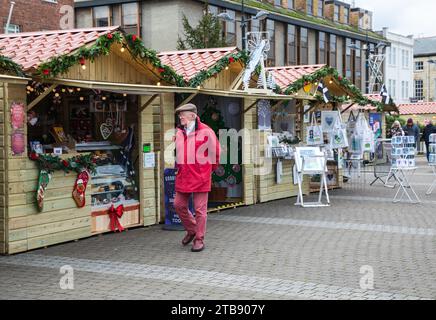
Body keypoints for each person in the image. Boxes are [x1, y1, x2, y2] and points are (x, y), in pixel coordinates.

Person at [174, 103, 220, 252]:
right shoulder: (179, 132)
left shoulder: (207, 132)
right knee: (178, 205)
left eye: (183, 114)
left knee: (200, 210)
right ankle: (192, 229)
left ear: (192, 116)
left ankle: (199, 239)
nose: (180, 116)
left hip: (200, 177)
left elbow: (216, 154)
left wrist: (206, 171)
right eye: (179, 114)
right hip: (184, 176)